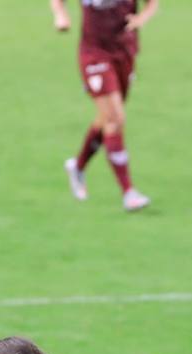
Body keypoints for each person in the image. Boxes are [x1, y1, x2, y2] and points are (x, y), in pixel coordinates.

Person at [52, 0, 159, 212]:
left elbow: (152, 3)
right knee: (115, 118)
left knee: (107, 119)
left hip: (125, 52)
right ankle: (128, 192)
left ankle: (77, 166)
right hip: (94, 55)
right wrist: (60, 16)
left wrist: (141, 19)